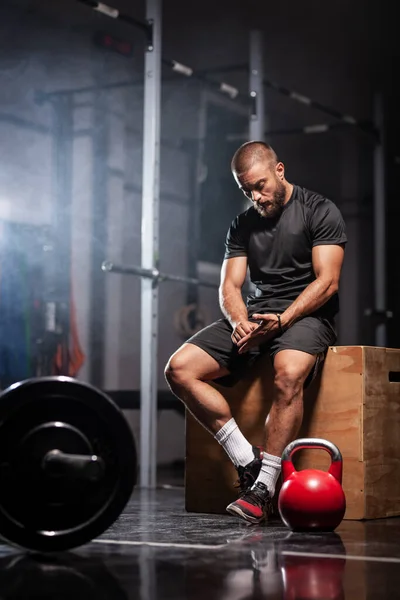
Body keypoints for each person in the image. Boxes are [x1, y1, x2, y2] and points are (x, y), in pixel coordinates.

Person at [165, 141, 347, 524]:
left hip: (306, 317)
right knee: (179, 369)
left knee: (288, 375)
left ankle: (264, 487)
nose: (256, 196)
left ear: (279, 170)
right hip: (257, 316)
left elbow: (328, 282)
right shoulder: (243, 223)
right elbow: (230, 286)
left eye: (261, 185)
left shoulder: (319, 209)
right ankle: (248, 462)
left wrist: (283, 321)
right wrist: (239, 321)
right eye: (246, 190)